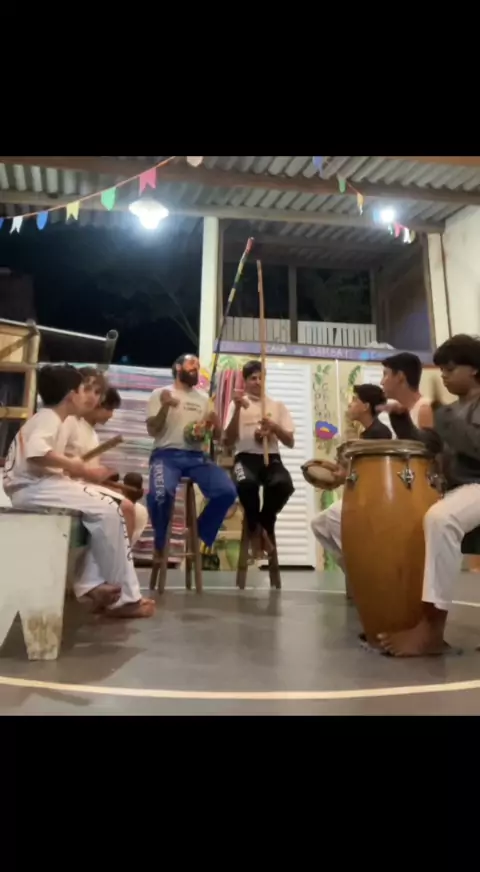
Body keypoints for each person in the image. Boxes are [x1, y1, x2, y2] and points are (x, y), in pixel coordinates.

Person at [3, 364, 154, 619]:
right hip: (33, 486)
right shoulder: (49, 418)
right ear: (71, 395)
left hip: (39, 484)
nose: (89, 397)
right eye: (83, 389)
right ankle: (120, 595)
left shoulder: (52, 419)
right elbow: (37, 452)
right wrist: (79, 468)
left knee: (110, 510)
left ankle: (98, 586)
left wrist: (80, 472)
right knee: (111, 509)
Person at [376, 334, 480, 656]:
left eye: (450, 369)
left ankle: (431, 630)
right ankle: (399, 612)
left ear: (475, 369)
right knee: (407, 521)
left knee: (440, 518)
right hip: (464, 490)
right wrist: (401, 422)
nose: (444, 376)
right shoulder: (453, 410)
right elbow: (429, 446)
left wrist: (443, 418)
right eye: (442, 370)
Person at [146, 353, 237, 555]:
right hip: (165, 455)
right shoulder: (160, 393)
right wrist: (165, 406)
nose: (196, 366)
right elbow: (152, 430)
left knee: (228, 492)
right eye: (191, 363)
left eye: (197, 364)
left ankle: (198, 533)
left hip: (196, 457)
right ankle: (161, 542)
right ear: (178, 368)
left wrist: (215, 425)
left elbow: (216, 437)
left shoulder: (204, 399)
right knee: (160, 494)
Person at [311, 384, 392, 572]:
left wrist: (343, 474)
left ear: (366, 406)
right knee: (318, 524)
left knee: (334, 515)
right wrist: (337, 471)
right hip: (362, 493)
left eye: (355, 399)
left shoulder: (380, 433)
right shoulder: (366, 433)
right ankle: (352, 569)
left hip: (375, 496)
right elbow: (357, 470)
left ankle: (363, 566)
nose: (350, 404)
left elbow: (375, 471)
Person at [223, 360, 295, 556]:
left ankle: (265, 523)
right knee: (246, 484)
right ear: (245, 381)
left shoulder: (277, 406)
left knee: (284, 484)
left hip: (271, 457)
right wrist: (238, 409)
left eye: (261, 377)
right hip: (245, 458)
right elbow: (227, 441)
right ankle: (255, 529)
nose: (257, 381)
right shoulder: (236, 404)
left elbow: (290, 442)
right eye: (253, 378)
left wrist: (274, 428)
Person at [62, 384, 144, 544]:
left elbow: (91, 472)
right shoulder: (71, 422)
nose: (111, 415)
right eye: (109, 409)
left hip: (86, 486)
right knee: (127, 508)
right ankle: (117, 558)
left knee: (139, 511)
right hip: (71, 487)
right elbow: (65, 467)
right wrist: (90, 474)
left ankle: (116, 555)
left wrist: (105, 477)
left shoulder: (92, 433)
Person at [381, 352, 433, 428]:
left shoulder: (424, 409)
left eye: (385, 374)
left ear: (400, 376)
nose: (381, 382)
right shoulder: (401, 412)